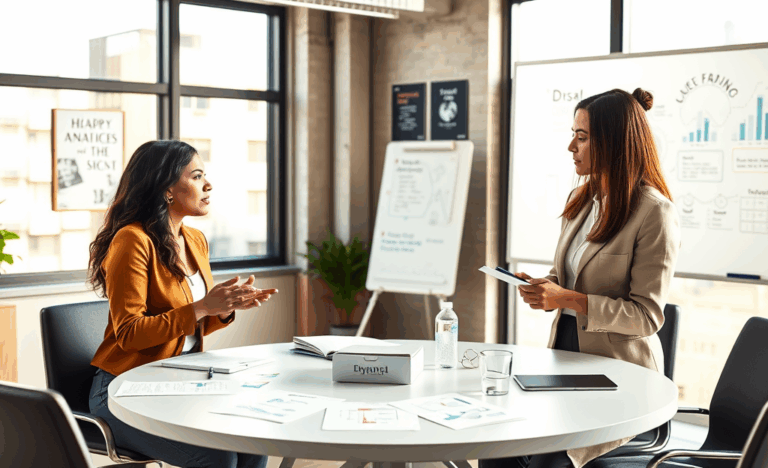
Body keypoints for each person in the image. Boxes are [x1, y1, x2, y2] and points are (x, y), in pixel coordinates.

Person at [483, 88, 681, 468]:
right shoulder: (581, 201)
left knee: (546, 460)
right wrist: (545, 285)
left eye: (582, 136)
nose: (571, 146)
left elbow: (647, 316)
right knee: (497, 447)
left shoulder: (654, 212)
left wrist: (567, 299)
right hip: (567, 361)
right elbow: (567, 275)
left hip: (621, 378)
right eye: (573, 134)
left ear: (614, 142)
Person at [87, 140, 277, 468]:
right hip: (123, 388)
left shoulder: (195, 240)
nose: (208, 185)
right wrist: (203, 307)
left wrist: (225, 306)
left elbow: (194, 323)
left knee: (251, 440)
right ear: (167, 189)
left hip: (180, 379)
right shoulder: (132, 240)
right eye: (197, 176)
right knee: (217, 457)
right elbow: (130, 334)